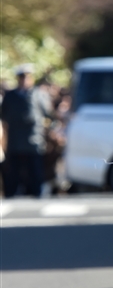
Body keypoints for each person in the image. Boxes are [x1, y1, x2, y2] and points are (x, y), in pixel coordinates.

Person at [0, 64, 53, 198]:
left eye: (27, 77)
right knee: (13, 170)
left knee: (35, 169)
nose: (24, 80)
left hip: (34, 138)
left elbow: (48, 114)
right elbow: (3, 115)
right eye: (21, 77)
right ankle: (12, 193)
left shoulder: (38, 94)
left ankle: (37, 192)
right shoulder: (10, 96)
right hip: (15, 139)